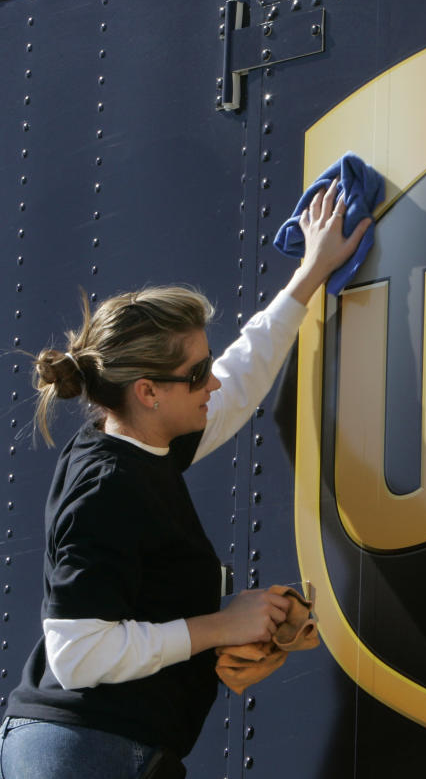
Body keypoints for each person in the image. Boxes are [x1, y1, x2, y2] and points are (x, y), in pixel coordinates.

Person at [0, 182, 368, 779]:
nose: (211, 383)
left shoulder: (145, 444)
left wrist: (310, 274)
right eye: (196, 374)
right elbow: (77, 654)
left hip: (101, 752)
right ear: (147, 393)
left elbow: (241, 377)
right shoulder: (107, 486)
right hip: (86, 754)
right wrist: (220, 625)